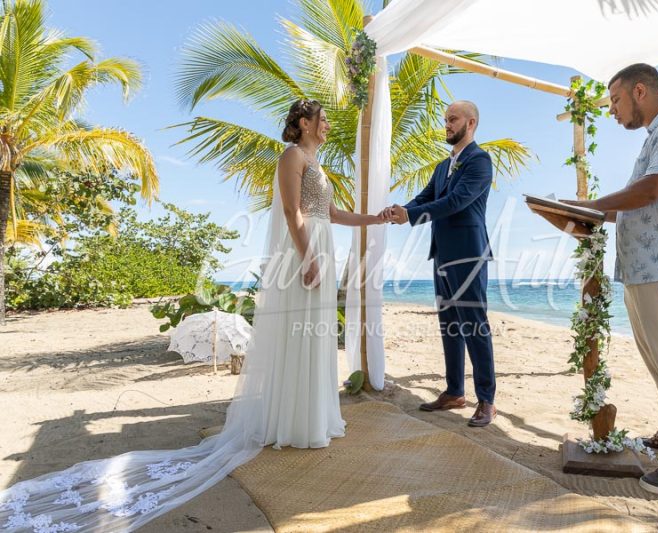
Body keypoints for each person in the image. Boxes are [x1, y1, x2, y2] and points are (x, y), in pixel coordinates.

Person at [0, 99, 386, 531]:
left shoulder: (317, 162)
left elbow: (330, 213)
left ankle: (311, 418)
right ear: (302, 123)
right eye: (322, 118)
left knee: (313, 335)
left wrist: (375, 217)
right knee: (298, 335)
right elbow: (294, 213)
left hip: (322, 244)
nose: (328, 124)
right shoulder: (292, 156)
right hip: (305, 252)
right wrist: (307, 257)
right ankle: (292, 424)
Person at [563, 64, 658, 496]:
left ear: (641, 90)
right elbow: (629, 205)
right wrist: (581, 211)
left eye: (614, 100)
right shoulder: (655, 135)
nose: (611, 110)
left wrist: (589, 204)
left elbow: (653, 190)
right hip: (641, 269)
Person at [384, 100, 497, 428]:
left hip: (469, 256)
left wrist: (412, 216)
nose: (446, 125)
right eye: (445, 119)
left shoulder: (480, 161)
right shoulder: (440, 167)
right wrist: (400, 210)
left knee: (475, 326)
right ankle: (454, 392)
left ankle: (487, 401)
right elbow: (425, 198)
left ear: (471, 123)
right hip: (442, 254)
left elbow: (456, 201)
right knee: (450, 325)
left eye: (453, 119)